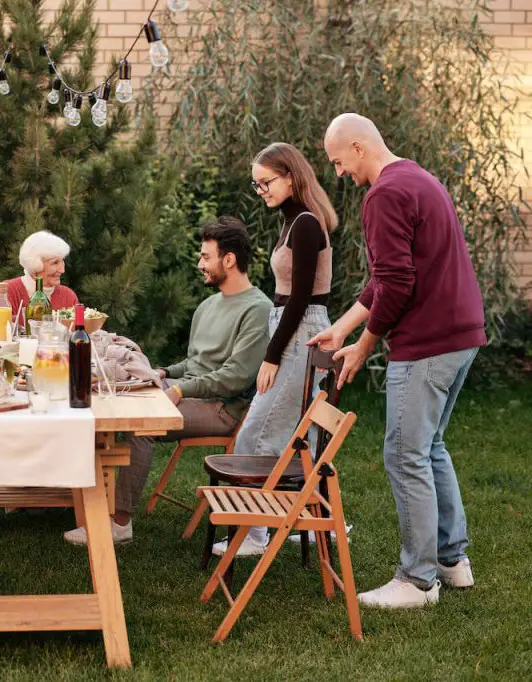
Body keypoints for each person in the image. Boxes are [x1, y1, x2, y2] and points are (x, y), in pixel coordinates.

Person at [313, 113, 486, 608]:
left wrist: (365, 344)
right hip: (460, 335)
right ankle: (452, 563)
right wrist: (343, 327)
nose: (339, 173)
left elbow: (398, 283)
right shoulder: (418, 177)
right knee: (429, 447)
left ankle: (417, 580)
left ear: (361, 147)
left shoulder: (384, 194)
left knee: (405, 454)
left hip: (428, 343)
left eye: (339, 161)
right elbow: (389, 275)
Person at [64, 218, 272, 545]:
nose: (200, 264)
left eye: (206, 257)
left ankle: (119, 523)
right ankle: (77, 502)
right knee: (106, 403)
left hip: (222, 409)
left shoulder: (258, 310)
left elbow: (235, 377)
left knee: (140, 425)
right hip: (191, 394)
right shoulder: (208, 305)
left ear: (229, 260)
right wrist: (165, 373)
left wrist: (179, 389)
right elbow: (196, 362)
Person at [211, 142, 339, 558]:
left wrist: (271, 355)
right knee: (282, 429)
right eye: (256, 184)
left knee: (257, 430)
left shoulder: (304, 223)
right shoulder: (292, 221)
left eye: (265, 182)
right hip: (291, 326)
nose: (261, 190)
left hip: (300, 330)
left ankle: (253, 533)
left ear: (290, 176)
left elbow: (301, 297)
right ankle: (305, 521)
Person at [4, 230, 79, 317]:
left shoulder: (68, 297)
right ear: (35, 264)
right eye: (55, 263)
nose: (62, 270)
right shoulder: (8, 291)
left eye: (62, 261)